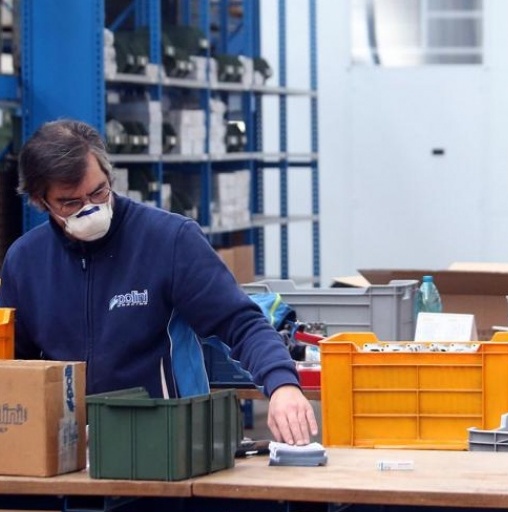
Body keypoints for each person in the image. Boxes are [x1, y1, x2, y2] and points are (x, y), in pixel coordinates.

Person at [0, 119, 317, 445]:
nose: (90, 209)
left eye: (98, 192)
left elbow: (240, 322)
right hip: (69, 449)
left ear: (109, 175)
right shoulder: (25, 262)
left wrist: (282, 384)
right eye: (71, 203)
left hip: (167, 443)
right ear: (40, 201)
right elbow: (11, 365)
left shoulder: (170, 240)